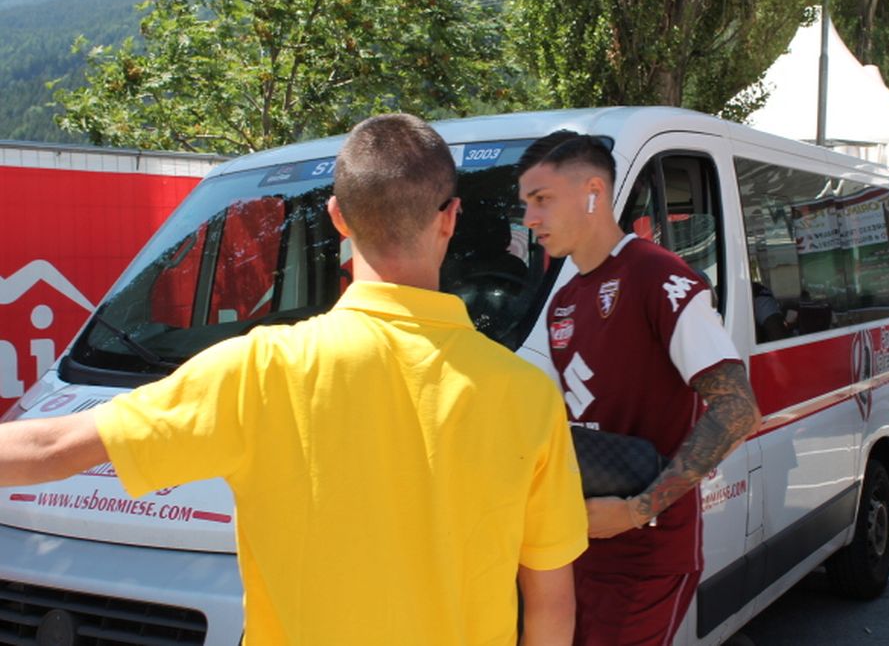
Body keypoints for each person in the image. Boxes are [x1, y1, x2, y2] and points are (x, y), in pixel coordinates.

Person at [0, 114, 588, 645]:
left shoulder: (258, 370)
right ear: (451, 219)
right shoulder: (527, 394)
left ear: (336, 217)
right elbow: (551, 605)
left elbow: (51, 448)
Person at [518, 132, 761, 646]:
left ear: (592, 192)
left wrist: (637, 510)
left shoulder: (658, 275)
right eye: (526, 204)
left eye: (541, 200)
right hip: (573, 551)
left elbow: (738, 410)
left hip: (646, 560)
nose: (529, 220)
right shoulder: (563, 300)